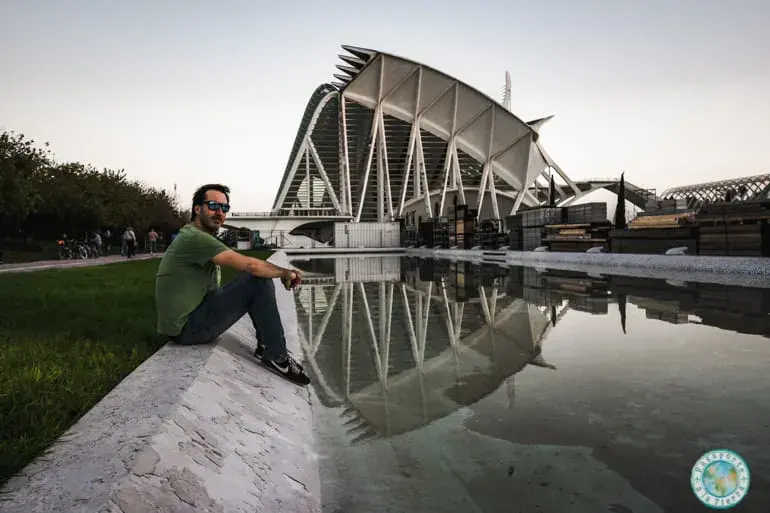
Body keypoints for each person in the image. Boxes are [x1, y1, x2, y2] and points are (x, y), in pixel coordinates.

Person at [155, 184, 310, 385]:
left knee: (253, 281)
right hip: (187, 329)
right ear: (197, 209)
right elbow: (250, 265)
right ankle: (277, 356)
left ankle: (267, 346)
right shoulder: (195, 238)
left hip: (187, 321)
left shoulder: (193, 236)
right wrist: (284, 272)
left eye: (224, 208)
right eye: (213, 205)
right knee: (257, 281)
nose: (219, 212)